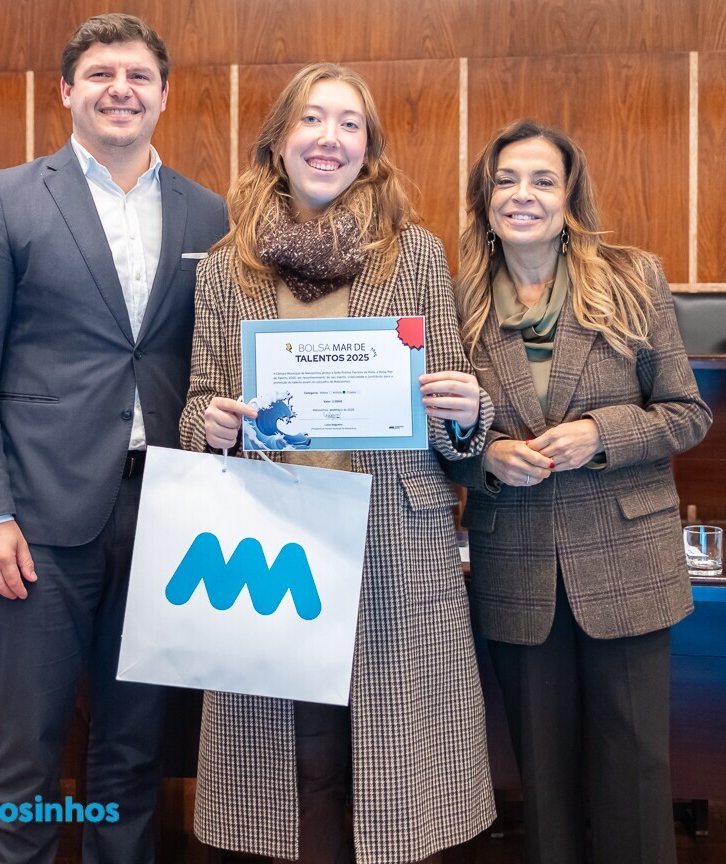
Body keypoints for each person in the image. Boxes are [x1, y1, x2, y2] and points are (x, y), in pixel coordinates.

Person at [178, 62, 496, 864]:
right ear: (278, 143)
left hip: (394, 538)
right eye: (312, 120)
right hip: (274, 546)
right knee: (297, 764)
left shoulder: (414, 255)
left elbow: (457, 421)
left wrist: (468, 411)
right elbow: (200, 401)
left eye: (349, 124)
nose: (330, 138)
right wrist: (210, 423)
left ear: (368, 148)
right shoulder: (225, 267)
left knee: (391, 766)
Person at [0, 14, 227, 863]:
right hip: (38, 522)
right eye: (101, 74)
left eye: (138, 76)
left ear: (164, 95)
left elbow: (211, 358)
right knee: (26, 753)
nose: (120, 90)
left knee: (133, 754)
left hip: (166, 515)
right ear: (67, 91)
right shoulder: (6, 198)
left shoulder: (209, 213)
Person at [446, 119, 712, 864]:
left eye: (543, 180)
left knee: (635, 777)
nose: (522, 195)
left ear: (570, 198)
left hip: (627, 561)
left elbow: (688, 413)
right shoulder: (456, 300)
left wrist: (600, 434)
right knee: (545, 787)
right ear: (485, 198)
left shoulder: (632, 279)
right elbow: (433, 441)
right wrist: (485, 456)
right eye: (506, 180)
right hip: (516, 565)